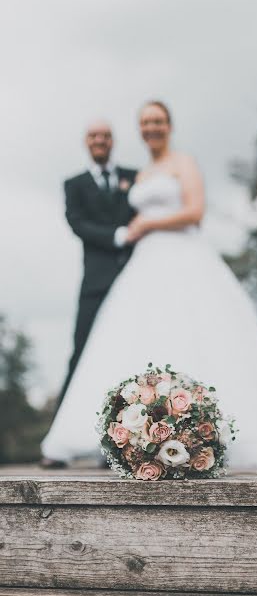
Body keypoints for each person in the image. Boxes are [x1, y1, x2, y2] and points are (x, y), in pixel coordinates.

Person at [41, 101, 257, 470]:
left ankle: (195, 429)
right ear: (138, 129)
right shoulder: (141, 174)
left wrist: (148, 225)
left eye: (159, 121)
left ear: (169, 124)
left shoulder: (183, 163)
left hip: (182, 254)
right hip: (142, 264)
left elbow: (195, 211)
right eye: (146, 122)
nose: (152, 127)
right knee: (136, 336)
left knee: (200, 332)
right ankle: (136, 433)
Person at [41, 122, 137, 468]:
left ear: (113, 141)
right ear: (86, 143)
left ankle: (119, 441)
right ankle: (58, 443)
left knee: (130, 355)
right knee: (81, 352)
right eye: (94, 136)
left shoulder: (134, 176)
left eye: (106, 135)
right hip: (95, 282)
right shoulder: (74, 184)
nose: (100, 141)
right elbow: (77, 224)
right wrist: (119, 235)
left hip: (133, 280)